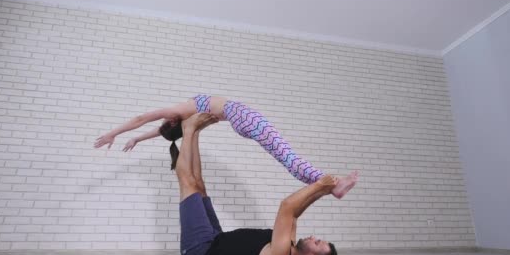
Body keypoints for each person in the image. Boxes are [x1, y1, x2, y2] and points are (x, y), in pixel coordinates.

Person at [94, 94, 358, 198]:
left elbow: (162, 131)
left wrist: (138, 138)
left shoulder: (185, 119)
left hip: (240, 122)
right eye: (167, 118)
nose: (165, 116)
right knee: (286, 154)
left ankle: (331, 185)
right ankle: (333, 185)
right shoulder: (180, 112)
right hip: (242, 117)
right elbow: (144, 118)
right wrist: (113, 133)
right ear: (172, 119)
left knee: (284, 155)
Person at [176, 113, 339, 255]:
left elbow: (287, 206)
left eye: (317, 243)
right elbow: (295, 214)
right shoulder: (287, 245)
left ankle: (188, 129)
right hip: (216, 239)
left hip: (200, 250)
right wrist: (324, 191)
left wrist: (319, 184)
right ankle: (195, 131)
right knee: (198, 185)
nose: (313, 237)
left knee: (188, 183)